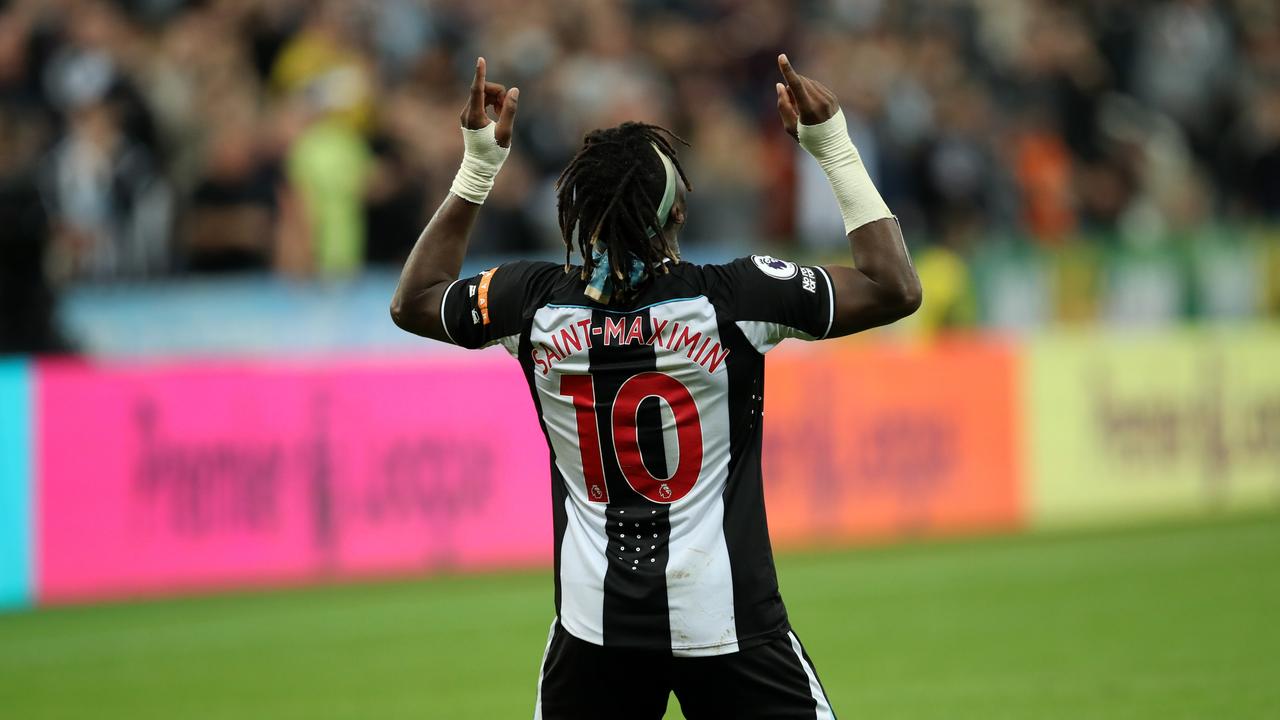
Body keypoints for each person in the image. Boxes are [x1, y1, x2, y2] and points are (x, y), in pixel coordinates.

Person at [391, 54, 920, 720]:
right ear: (674, 213)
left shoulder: (531, 304)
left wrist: (477, 167)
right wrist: (833, 146)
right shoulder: (734, 300)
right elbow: (893, 287)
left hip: (595, 633)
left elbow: (416, 301)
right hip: (727, 623)